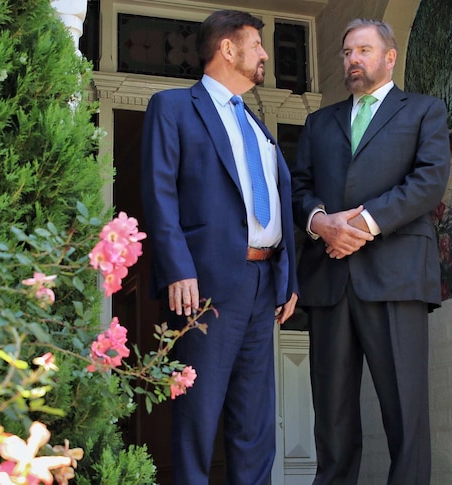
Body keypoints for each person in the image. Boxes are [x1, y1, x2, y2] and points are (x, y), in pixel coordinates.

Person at [140, 9, 299, 485]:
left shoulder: (255, 124)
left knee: (255, 424)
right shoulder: (172, 107)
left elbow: (274, 197)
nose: (265, 54)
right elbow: (159, 192)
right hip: (204, 288)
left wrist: (286, 276)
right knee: (197, 417)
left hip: (261, 284)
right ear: (228, 49)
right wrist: (178, 269)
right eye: (257, 45)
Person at [289, 18, 450, 485]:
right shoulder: (320, 122)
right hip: (330, 282)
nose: (352, 60)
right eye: (346, 52)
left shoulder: (424, 111)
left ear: (389, 57)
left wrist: (361, 224)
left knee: (405, 412)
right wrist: (321, 223)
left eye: (362, 50)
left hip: (397, 277)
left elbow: (428, 181)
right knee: (332, 417)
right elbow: (299, 188)